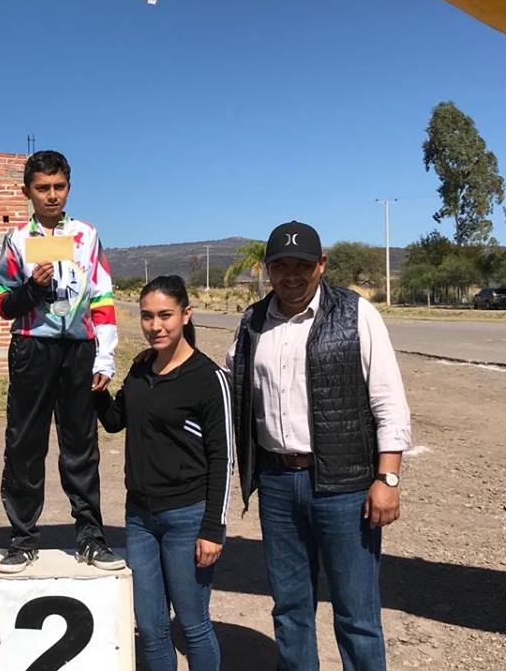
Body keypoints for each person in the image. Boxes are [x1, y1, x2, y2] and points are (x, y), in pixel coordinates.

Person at [226, 220, 411, 671]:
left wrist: (387, 477)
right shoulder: (251, 322)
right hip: (276, 484)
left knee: (357, 615)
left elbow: (388, 400)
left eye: (302, 265)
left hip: (345, 488)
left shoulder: (357, 314)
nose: (291, 275)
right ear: (267, 268)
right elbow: (230, 389)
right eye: (280, 265)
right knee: (290, 610)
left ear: (321, 265)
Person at [0, 149, 123, 573]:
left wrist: (104, 355)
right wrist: (31, 288)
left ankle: (90, 536)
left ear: (69, 187)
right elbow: (0, 303)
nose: (52, 196)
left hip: (79, 348)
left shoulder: (87, 234)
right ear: (27, 191)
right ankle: (23, 537)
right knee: (25, 442)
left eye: (59, 187)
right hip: (33, 347)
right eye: (43, 188)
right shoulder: (16, 241)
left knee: (80, 444)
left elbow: (102, 296)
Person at [95, 275, 232, 671]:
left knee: (192, 625)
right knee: (152, 630)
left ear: (186, 315)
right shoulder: (140, 370)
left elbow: (223, 457)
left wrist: (213, 529)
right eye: (147, 316)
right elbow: (115, 421)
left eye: (166, 315)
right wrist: (95, 389)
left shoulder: (209, 379)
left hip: (187, 519)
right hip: (139, 518)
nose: (156, 326)